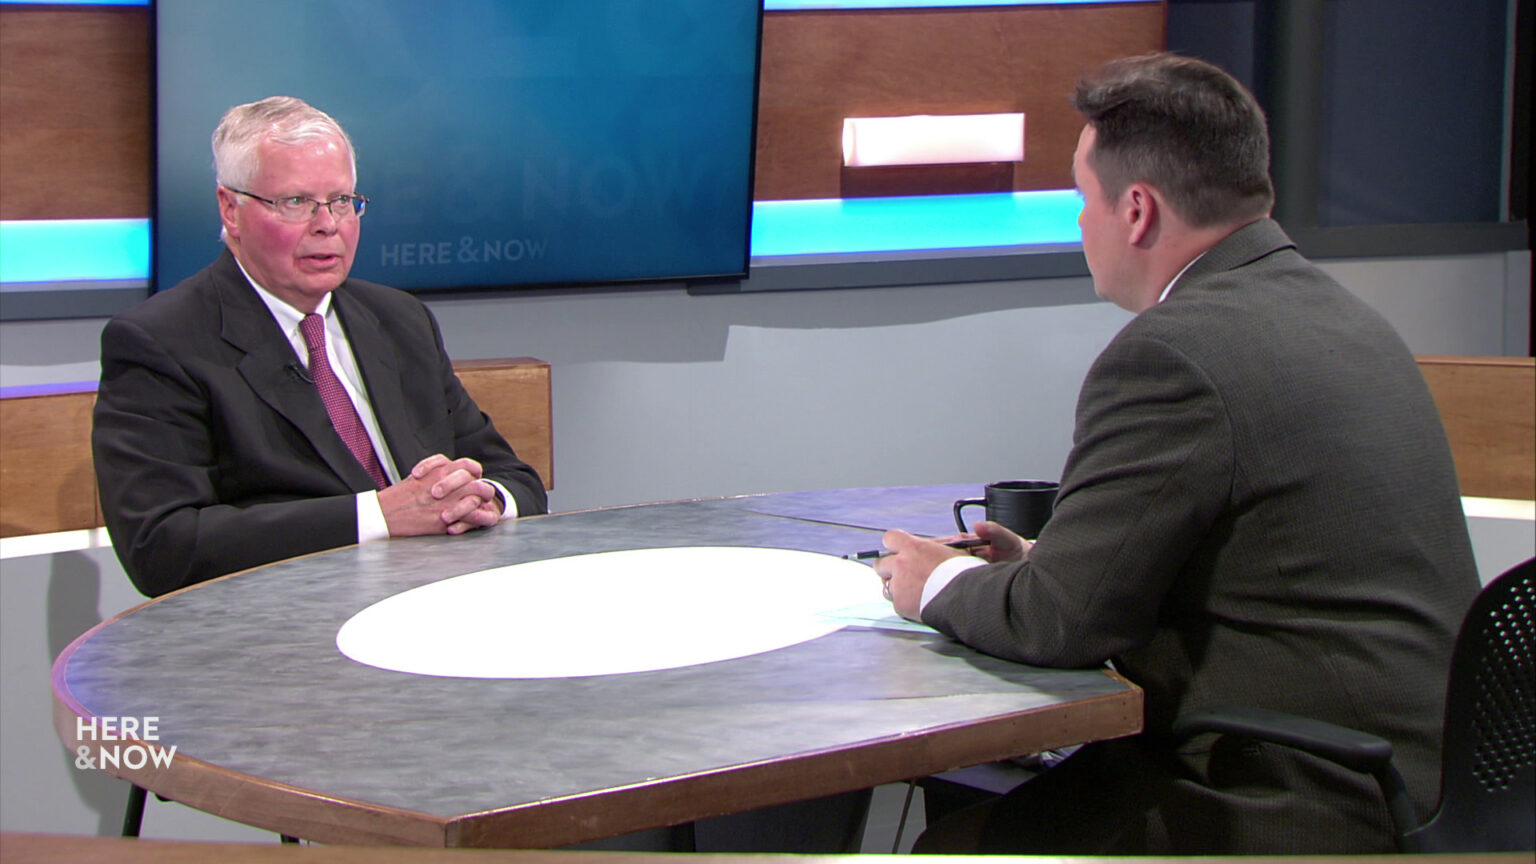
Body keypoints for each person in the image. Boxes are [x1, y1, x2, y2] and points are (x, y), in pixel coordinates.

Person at [875, 54, 1479, 854]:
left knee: (955, 847)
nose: (1077, 224)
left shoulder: (1172, 353)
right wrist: (1045, 565)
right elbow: (1262, 568)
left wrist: (938, 582)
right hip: (1427, 783)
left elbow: (1065, 623)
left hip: (1297, 797)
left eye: (1081, 199)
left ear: (1135, 209)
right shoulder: (1344, 318)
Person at [93, 96, 547, 598]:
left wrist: (486, 498)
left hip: (435, 601)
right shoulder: (161, 342)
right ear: (231, 209)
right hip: (282, 630)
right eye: (296, 202)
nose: (327, 224)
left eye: (342, 201)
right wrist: (379, 515)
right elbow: (163, 547)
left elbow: (514, 477)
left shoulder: (398, 320)